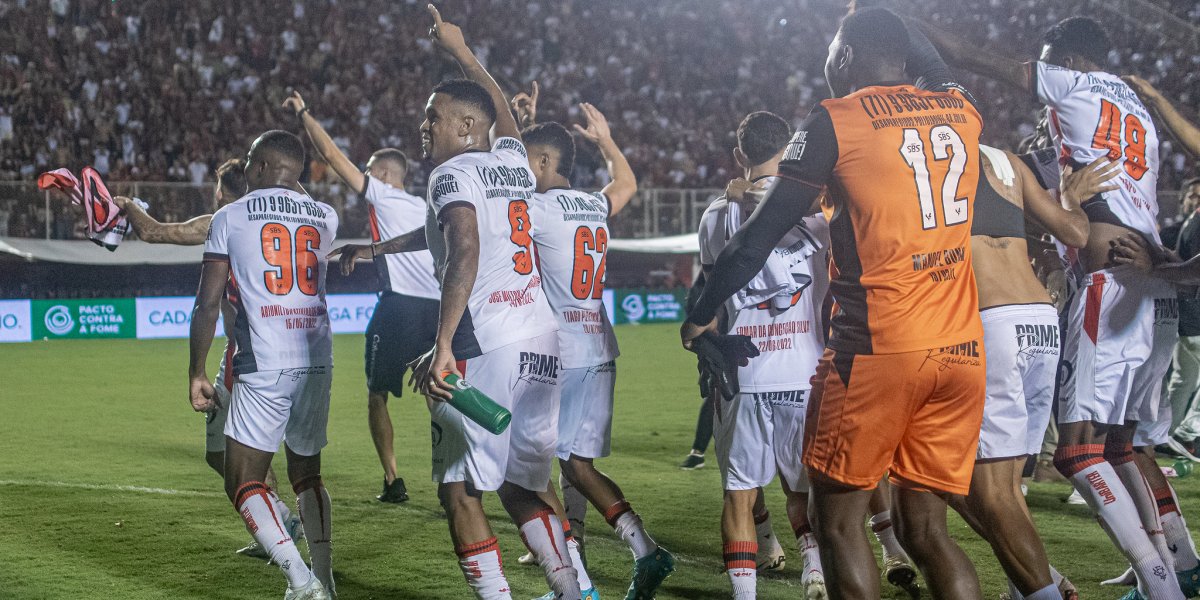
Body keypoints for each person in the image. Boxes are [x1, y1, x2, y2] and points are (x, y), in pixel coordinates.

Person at [683, 7, 987, 598]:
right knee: (927, 530)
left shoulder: (836, 119)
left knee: (838, 523)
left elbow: (754, 240)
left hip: (877, 352)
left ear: (843, 55)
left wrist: (699, 313)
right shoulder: (961, 106)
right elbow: (928, 61)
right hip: (960, 350)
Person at [927, 15, 1189, 598]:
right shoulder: (1138, 109)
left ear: (1068, 61)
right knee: (1124, 443)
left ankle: (1160, 582)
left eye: (1048, 60)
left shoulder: (1073, 86)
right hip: (1151, 280)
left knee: (1075, 451)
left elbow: (971, 52)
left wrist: (899, 23)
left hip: (1110, 278)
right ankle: (1181, 563)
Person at [333, 7, 580, 598]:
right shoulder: (510, 160)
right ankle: (576, 591)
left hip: (481, 345)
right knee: (523, 485)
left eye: (434, 117)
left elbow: (463, 249)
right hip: (539, 341)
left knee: (459, 489)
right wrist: (463, 52)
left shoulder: (449, 175)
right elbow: (447, 229)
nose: (424, 126)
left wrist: (440, 345)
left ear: (468, 125)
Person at [512, 88, 676, 599]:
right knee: (573, 462)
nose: (518, 170)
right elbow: (626, 181)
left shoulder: (537, 209)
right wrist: (607, 141)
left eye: (524, 160)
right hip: (599, 346)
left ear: (543, 161)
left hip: (560, 353)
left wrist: (517, 129)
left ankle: (609, 567)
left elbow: (497, 194)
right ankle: (605, 553)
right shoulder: (591, 205)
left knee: (546, 468)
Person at [114, 160, 302, 560]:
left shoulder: (223, 219)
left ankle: (279, 528)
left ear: (221, 190)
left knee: (238, 458)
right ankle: (280, 517)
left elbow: (153, 231)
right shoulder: (286, 218)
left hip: (249, 354)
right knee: (222, 453)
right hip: (287, 347)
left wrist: (128, 205)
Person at [949, 145, 1114, 600]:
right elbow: (1075, 233)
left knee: (974, 486)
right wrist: (1070, 197)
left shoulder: (925, 150)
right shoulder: (1007, 161)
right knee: (1007, 483)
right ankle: (1026, 583)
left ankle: (1043, 589)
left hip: (990, 321)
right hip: (1039, 323)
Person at [188, 130, 339, 600]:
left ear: (255, 167)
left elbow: (208, 303)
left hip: (265, 360)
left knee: (243, 477)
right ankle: (326, 580)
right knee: (307, 473)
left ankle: (301, 581)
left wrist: (196, 371)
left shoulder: (229, 217)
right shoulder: (326, 216)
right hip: (317, 356)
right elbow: (297, 198)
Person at [693, 110, 829, 599]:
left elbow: (710, 290)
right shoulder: (819, 211)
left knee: (739, 494)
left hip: (746, 372)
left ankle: (745, 595)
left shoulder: (715, 214)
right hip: (808, 370)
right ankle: (814, 570)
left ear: (739, 157)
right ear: (790, 149)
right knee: (806, 489)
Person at [285, 90, 440, 504]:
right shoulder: (422, 205)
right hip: (436, 311)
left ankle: (393, 480)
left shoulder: (384, 195)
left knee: (377, 395)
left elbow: (335, 159)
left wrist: (304, 114)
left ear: (386, 176)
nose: (364, 178)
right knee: (436, 393)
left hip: (399, 309)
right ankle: (453, 480)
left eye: (371, 171)